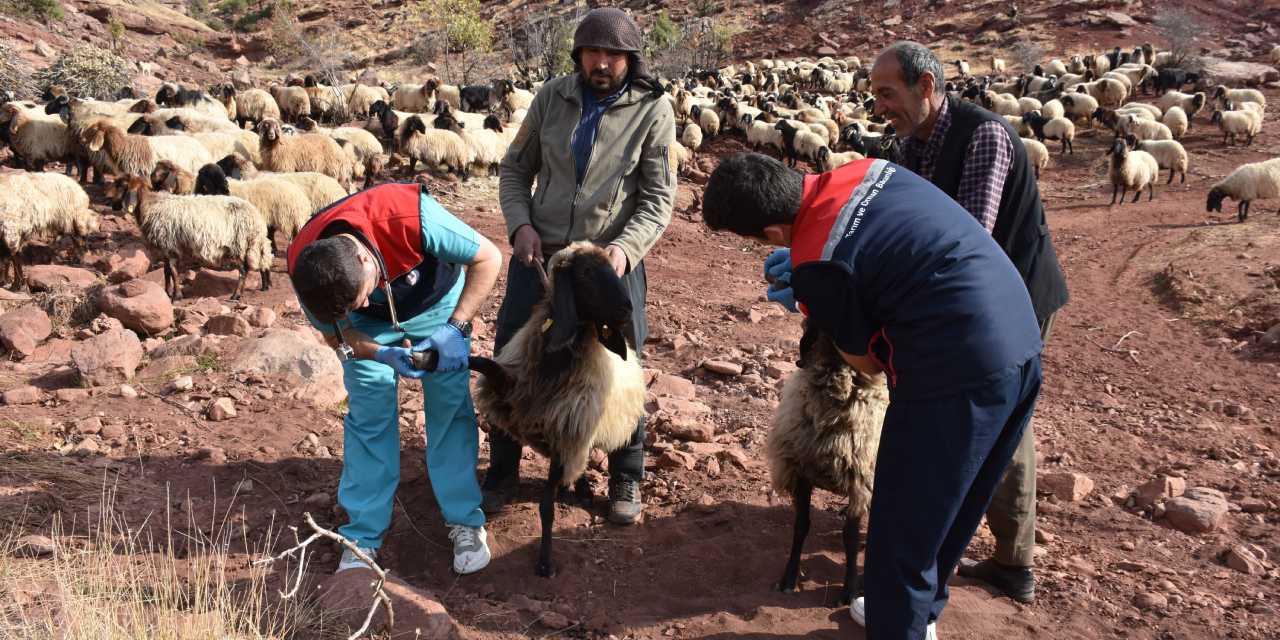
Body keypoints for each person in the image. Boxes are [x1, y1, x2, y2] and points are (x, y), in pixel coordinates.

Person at [702, 153, 1043, 640]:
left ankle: (899, 625)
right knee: (954, 506)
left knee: (899, 529)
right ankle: (922, 615)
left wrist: (818, 296)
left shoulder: (816, 259)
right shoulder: (866, 169)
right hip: (1021, 338)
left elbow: (866, 365)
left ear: (771, 233)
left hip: (954, 373)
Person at [870, 41, 1069, 603]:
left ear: (926, 87)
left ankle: (1013, 561)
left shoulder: (982, 136)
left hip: (1016, 296)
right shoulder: (912, 145)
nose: (880, 106)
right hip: (964, 294)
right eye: (875, 95)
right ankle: (939, 534)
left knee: (1004, 417)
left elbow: (969, 236)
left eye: (889, 93)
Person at [487, 6, 677, 525]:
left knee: (623, 364)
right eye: (592, 52)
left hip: (608, 263)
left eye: (613, 55)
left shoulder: (653, 111)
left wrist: (625, 250)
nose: (601, 62)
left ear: (630, 59)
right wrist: (519, 224)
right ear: (578, 56)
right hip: (541, 256)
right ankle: (502, 469)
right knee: (514, 356)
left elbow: (658, 199)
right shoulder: (551, 97)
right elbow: (514, 169)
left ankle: (625, 474)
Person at [287, 181, 502, 575]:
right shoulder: (306, 266)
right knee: (369, 415)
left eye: (363, 293)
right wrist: (381, 352)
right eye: (356, 303)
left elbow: (489, 258)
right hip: (366, 329)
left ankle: (465, 520)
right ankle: (362, 535)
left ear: (364, 260)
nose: (366, 301)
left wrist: (455, 328)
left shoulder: (409, 216)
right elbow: (340, 337)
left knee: (449, 405)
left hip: (437, 304)